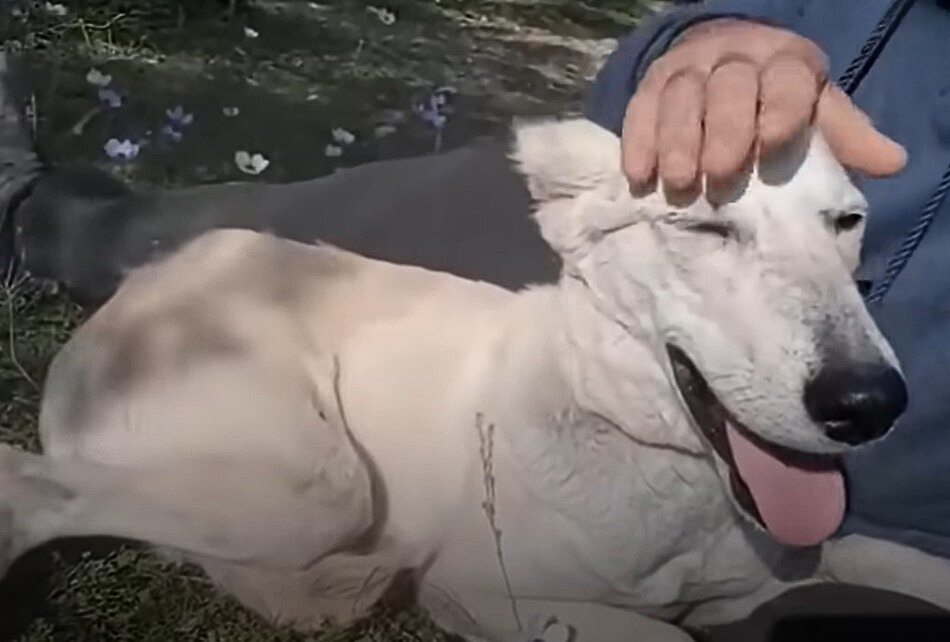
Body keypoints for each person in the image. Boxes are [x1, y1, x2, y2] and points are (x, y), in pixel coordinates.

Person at [2, 0, 950, 639]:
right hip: (246, 331)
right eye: (711, 231)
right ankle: (35, 451)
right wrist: (709, 38)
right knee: (304, 513)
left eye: (843, 219)